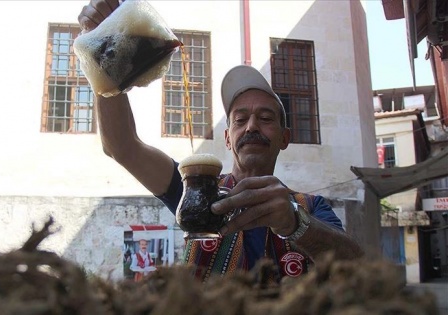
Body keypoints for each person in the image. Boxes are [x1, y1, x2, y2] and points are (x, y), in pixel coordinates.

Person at [77, 0, 365, 282]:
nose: (251, 126)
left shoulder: (310, 207)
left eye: (265, 118)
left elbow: (358, 267)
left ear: (284, 137)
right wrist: (104, 43)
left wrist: (295, 222)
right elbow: (121, 146)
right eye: (240, 119)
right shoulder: (194, 190)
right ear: (228, 138)